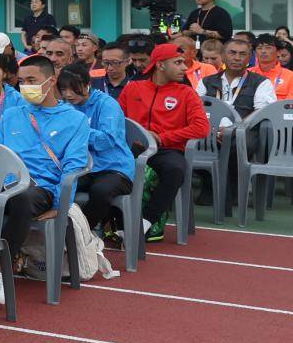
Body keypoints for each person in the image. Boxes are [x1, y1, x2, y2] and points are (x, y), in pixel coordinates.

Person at [0, 55, 90, 300]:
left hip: (39, 187)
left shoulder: (75, 120)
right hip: (5, 181)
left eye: (32, 80)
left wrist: (60, 204)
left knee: (19, 198)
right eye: (22, 81)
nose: (26, 87)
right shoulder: (13, 113)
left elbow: (73, 166)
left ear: (51, 80)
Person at [119, 43, 210, 240]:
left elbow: (202, 128)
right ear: (160, 65)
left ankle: (145, 222)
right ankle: (114, 222)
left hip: (167, 150)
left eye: (184, 63)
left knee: (176, 169)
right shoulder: (133, 88)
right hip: (133, 148)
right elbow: (118, 121)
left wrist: (163, 137)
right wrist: (138, 136)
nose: (185, 68)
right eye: (178, 63)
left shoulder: (187, 93)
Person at [58, 65, 135, 240]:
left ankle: (78, 236)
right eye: (63, 89)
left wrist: (77, 130)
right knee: (56, 184)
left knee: (100, 191)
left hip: (114, 168)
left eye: (73, 88)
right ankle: (60, 230)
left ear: (87, 85)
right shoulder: (64, 106)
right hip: (81, 166)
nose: (68, 94)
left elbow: (105, 141)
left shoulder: (107, 104)